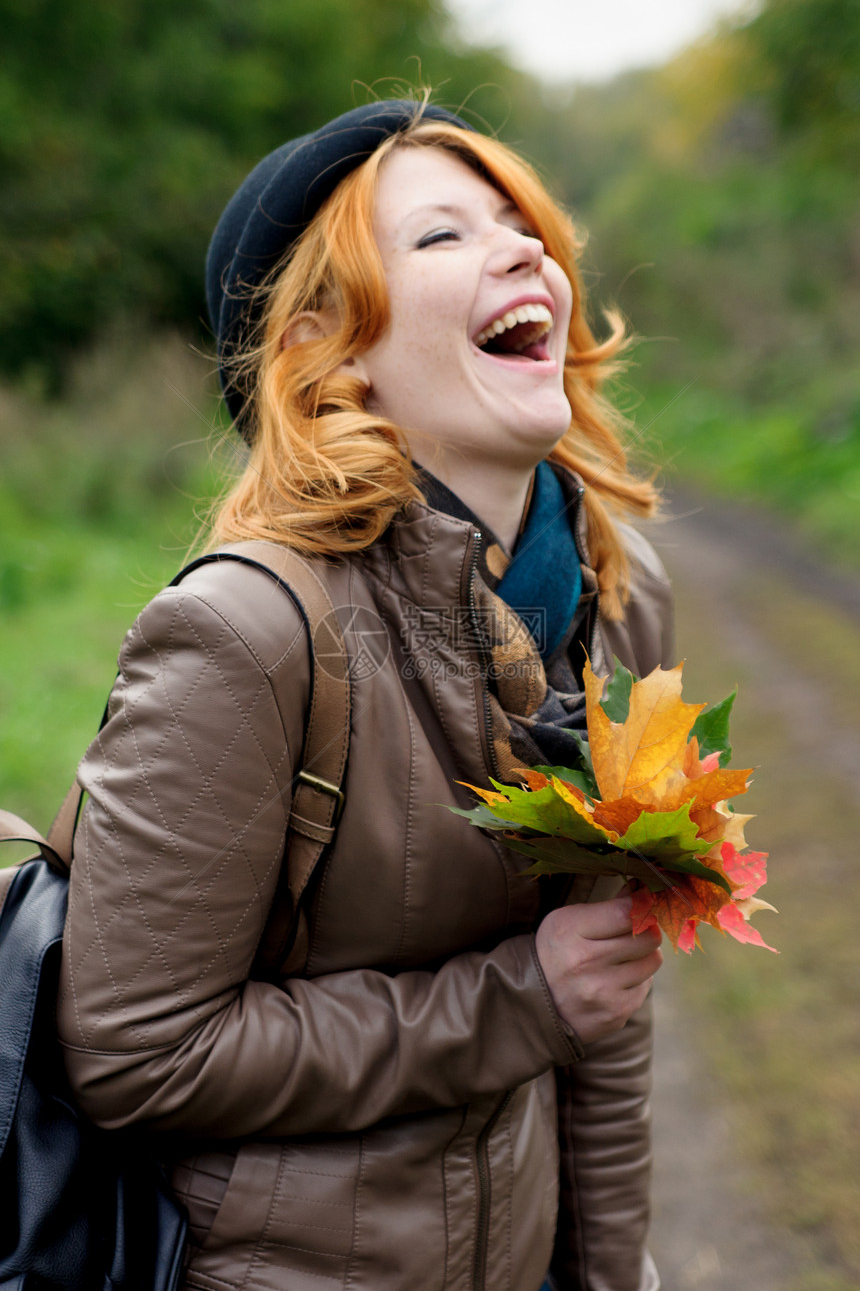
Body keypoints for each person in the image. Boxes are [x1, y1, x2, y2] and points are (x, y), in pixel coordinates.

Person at [57, 97, 673, 1291]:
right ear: (327, 352)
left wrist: (612, 1271)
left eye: (520, 225)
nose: (522, 250)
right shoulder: (245, 634)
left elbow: (604, 1004)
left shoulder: (614, 593)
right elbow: (134, 1052)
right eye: (442, 237)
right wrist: (517, 999)